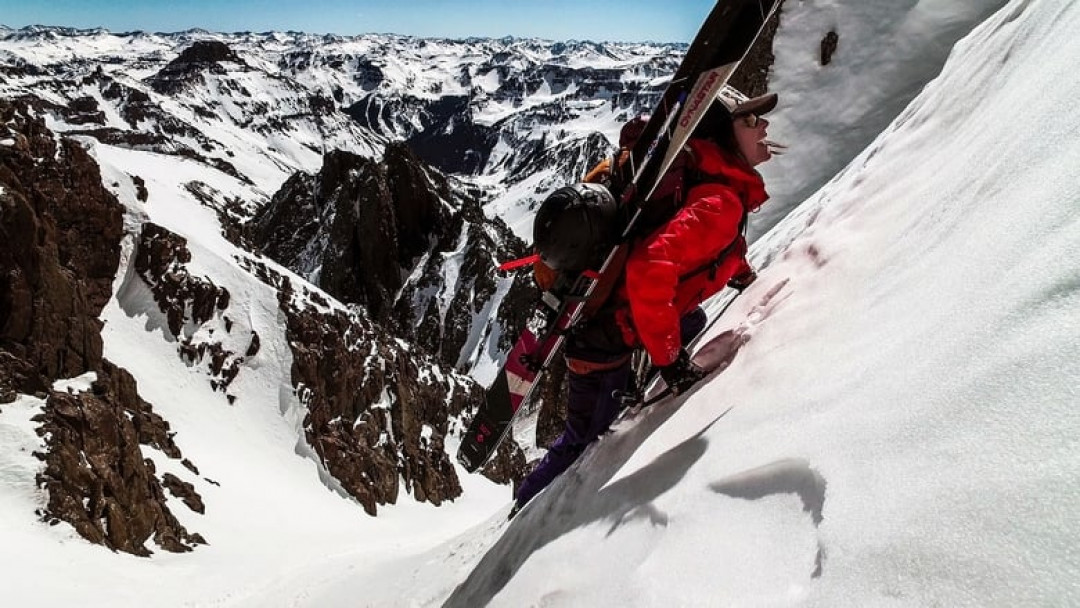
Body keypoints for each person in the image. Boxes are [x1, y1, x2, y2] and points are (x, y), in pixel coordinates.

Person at [514, 86, 780, 513]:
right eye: (749, 120)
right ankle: (524, 508)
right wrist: (670, 362)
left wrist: (741, 271)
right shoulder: (721, 199)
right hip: (603, 341)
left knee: (692, 322)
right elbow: (650, 266)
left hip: (620, 318)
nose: (763, 125)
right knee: (582, 441)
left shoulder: (705, 175)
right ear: (723, 135)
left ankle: (638, 379)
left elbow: (711, 245)